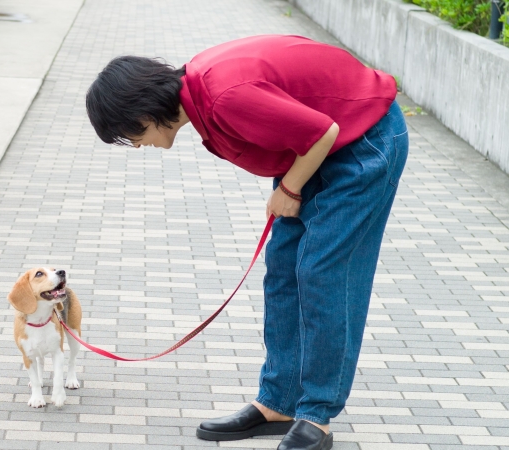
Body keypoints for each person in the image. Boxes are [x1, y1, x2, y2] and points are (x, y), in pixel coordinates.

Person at [86, 35, 408, 450]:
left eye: (129, 136)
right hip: (313, 153)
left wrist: (289, 190)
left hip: (363, 142)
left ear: (144, 112)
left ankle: (317, 414)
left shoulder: (222, 97)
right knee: (283, 272)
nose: (136, 146)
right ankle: (279, 403)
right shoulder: (199, 95)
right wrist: (291, 185)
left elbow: (323, 131)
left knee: (322, 273)